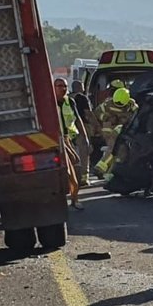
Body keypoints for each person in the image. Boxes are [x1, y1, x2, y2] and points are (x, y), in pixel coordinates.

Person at [53, 78, 87, 210]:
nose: (63, 89)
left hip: (67, 139)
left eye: (65, 86)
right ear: (53, 87)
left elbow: (78, 120)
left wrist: (85, 138)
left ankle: (73, 197)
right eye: (59, 86)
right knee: (70, 168)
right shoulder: (49, 101)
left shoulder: (70, 101)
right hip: (56, 139)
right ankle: (72, 199)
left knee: (76, 162)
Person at [94, 81, 138, 178]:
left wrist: (126, 118)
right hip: (109, 130)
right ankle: (104, 169)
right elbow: (97, 112)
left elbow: (137, 115)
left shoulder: (131, 104)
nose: (117, 105)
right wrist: (106, 117)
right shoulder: (107, 103)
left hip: (122, 130)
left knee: (116, 149)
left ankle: (105, 170)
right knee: (114, 148)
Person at [69, 79, 96, 187]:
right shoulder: (82, 98)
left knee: (73, 154)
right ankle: (84, 178)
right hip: (81, 127)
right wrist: (97, 125)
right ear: (80, 87)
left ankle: (74, 177)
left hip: (69, 129)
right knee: (84, 152)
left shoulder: (68, 98)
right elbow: (88, 113)